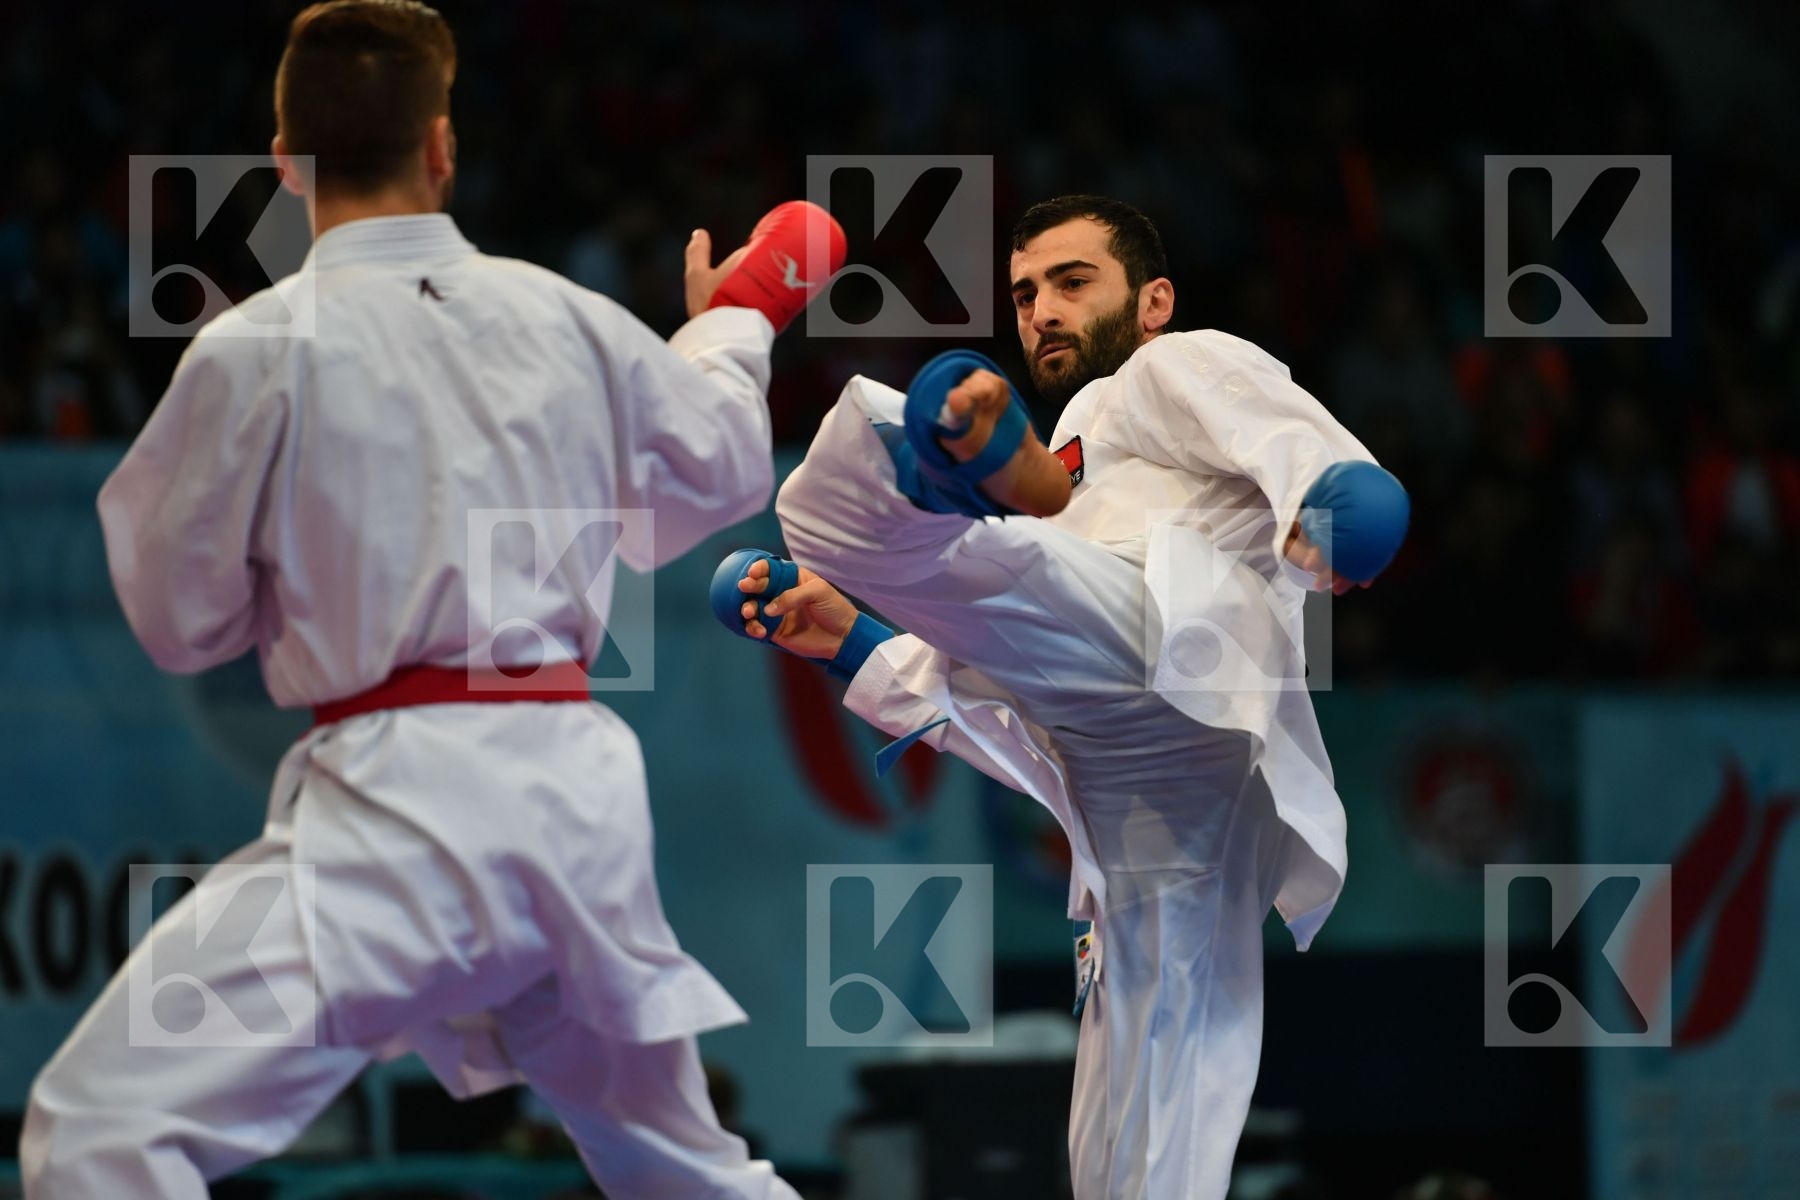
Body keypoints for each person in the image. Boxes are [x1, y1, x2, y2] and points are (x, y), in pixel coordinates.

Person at [21, 3, 839, 1196]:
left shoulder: (257, 349)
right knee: (684, 1171)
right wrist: (737, 318)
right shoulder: (568, 319)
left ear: (283, 165)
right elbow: (716, 468)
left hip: (399, 814)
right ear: (443, 146)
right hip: (576, 806)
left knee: (101, 1133)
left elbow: (177, 620)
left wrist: (286, 574)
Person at [717, 195, 1407, 1198]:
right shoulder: (1089, 434)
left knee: (864, 508)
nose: (1042, 308)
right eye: (1025, 292)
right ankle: (956, 478)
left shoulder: (1175, 363)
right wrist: (854, 647)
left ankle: (938, 470)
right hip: (1126, 798)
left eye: (1073, 282)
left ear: (1153, 299)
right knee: (1131, 1161)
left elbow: (1297, 440)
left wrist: (1344, 504)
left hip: (1172, 650)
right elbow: (1021, 709)